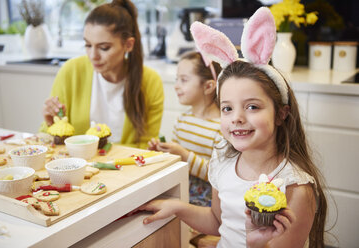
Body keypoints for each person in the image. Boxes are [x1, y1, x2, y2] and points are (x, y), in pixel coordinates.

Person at [137, 8, 327, 248]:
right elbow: (218, 221)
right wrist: (177, 207)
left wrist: (254, 243)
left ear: (281, 114)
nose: (237, 118)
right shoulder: (223, 161)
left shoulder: (295, 189)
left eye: (252, 107)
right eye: (227, 108)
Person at [40, 0, 164, 149]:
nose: (93, 56)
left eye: (104, 48)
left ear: (128, 45)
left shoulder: (150, 82)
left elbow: (146, 147)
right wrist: (52, 125)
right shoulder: (71, 72)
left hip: (126, 168)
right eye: (88, 45)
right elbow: (47, 139)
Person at [148, 51, 222, 207]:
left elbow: (219, 175)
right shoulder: (182, 120)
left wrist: (184, 156)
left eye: (184, 80)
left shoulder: (221, 128)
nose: (176, 86)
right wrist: (162, 152)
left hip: (208, 203)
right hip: (180, 192)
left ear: (208, 86)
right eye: (177, 79)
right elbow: (174, 161)